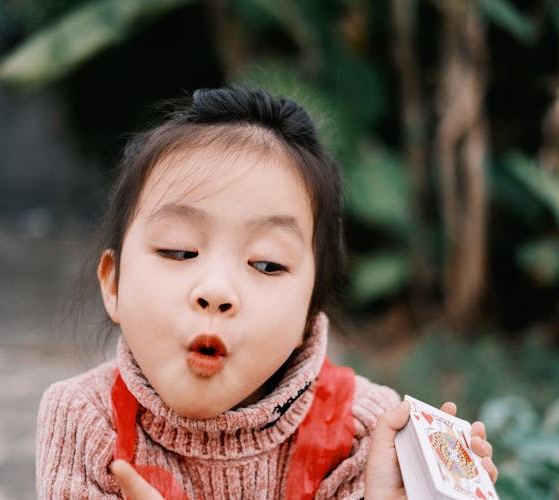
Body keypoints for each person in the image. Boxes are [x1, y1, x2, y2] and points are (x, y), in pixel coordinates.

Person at [36, 88, 498, 499]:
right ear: (114, 284)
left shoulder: (364, 430)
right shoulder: (87, 420)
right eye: (179, 251)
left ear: (308, 313)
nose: (215, 292)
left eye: (266, 264)